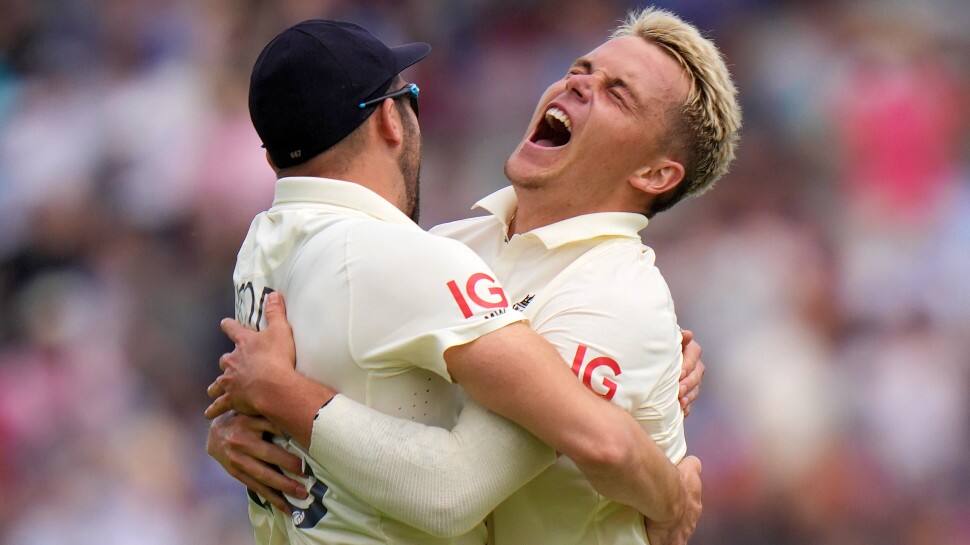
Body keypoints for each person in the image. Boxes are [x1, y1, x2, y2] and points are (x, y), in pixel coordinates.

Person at [204, 16, 721, 545]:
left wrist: (283, 399)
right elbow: (349, 377)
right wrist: (244, 423)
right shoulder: (450, 245)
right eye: (579, 69)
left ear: (655, 175)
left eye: (618, 93)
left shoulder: (614, 302)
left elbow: (453, 491)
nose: (578, 83)